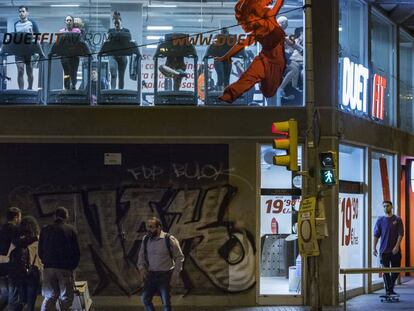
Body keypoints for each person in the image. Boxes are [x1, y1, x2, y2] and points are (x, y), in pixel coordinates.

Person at [215, 0, 286, 103]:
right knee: (248, 76)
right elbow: (241, 44)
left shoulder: (270, 16)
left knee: (268, 92)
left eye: (248, 19)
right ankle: (229, 95)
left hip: (278, 62)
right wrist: (226, 56)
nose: (246, 23)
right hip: (264, 58)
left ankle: (264, 83)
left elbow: (279, 2)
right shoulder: (255, 33)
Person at [138, 217, 184, 311]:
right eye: (147, 227)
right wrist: (141, 268)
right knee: (145, 299)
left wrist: (175, 274)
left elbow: (179, 257)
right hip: (151, 275)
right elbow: (141, 256)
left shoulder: (169, 239)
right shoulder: (146, 239)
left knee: (166, 303)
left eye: (151, 227)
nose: (148, 230)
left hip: (165, 275)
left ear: (159, 227)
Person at [39, 207, 80, 311]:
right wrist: (72, 266)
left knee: (49, 298)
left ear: (55, 216)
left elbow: (40, 250)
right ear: (66, 216)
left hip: (48, 268)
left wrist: (45, 261)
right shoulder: (70, 230)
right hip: (65, 268)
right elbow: (76, 251)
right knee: (65, 299)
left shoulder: (45, 230)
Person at [8, 216, 42, 311]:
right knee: (31, 304)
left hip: (20, 272)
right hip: (33, 271)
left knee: (22, 301)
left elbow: (9, 255)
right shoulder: (38, 240)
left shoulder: (16, 242)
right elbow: (40, 258)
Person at [373, 200, 404, 296]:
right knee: (386, 272)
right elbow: (376, 235)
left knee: (396, 270)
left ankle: (389, 288)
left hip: (395, 250)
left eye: (387, 206)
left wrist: (397, 246)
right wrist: (374, 248)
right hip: (384, 251)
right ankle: (389, 291)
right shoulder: (380, 220)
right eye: (384, 206)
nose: (386, 208)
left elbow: (400, 234)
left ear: (392, 207)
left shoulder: (397, 219)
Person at [0, 207, 22, 311]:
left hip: (1, 266)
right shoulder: (15, 229)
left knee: (4, 294)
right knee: (14, 297)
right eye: (20, 216)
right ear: (16, 217)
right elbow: (17, 246)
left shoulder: (1, 229)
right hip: (12, 266)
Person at [13, 6, 40, 90]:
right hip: (19, 51)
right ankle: (21, 91)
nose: (21, 13)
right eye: (20, 11)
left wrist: (36, 51)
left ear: (27, 13)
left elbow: (38, 38)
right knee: (20, 70)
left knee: (29, 72)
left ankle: (30, 89)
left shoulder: (32, 23)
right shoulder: (16, 24)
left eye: (23, 11)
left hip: (29, 51)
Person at [108, 11, 131, 89]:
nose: (116, 22)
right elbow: (107, 42)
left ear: (121, 21)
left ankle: (120, 93)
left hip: (123, 56)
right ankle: (113, 92)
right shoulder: (110, 31)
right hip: (113, 56)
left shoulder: (126, 31)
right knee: (113, 74)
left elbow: (129, 41)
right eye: (114, 20)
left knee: (121, 77)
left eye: (118, 20)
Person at [59, 16, 81, 90]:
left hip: (74, 56)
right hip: (65, 56)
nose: (68, 21)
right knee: (66, 73)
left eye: (70, 20)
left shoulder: (77, 31)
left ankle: (73, 85)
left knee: (74, 72)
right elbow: (59, 44)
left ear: (72, 22)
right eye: (67, 20)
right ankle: (66, 87)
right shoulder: (61, 31)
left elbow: (79, 43)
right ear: (65, 22)